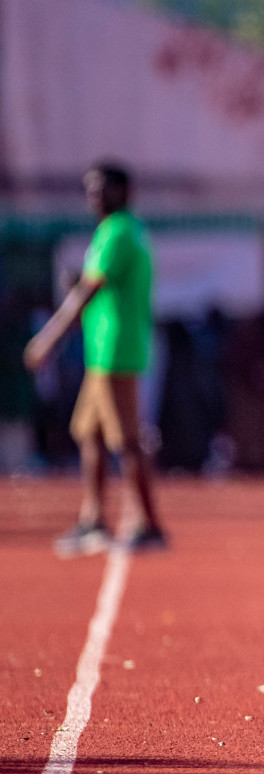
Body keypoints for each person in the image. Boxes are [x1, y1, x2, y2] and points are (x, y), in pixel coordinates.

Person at [24, 162, 168, 555]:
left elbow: (89, 289)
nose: (92, 196)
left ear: (121, 191)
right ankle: (93, 521)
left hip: (115, 351)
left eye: (99, 188)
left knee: (128, 440)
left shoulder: (118, 231)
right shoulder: (118, 232)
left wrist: (47, 339)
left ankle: (150, 525)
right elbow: (98, 286)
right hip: (104, 350)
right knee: (90, 432)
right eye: (88, 189)